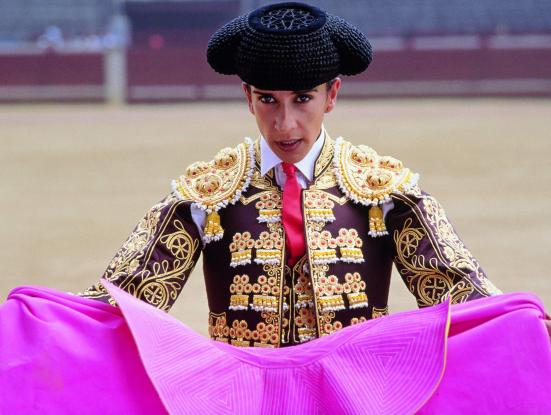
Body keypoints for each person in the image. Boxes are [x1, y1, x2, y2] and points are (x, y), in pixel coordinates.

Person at [81, 2, 506, 348]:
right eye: (268, 99)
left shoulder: (383, 191)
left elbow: (468, 298)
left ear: (331, 94)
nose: (285, 124)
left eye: (303, 98)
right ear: (248, 97)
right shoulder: (207, 194)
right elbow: (116, 304)